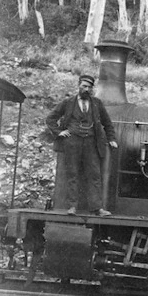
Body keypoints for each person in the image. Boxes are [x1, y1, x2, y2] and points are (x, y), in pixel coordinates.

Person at [46, 75, 118, 216]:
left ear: (92, 89)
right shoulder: (68, 103)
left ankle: (97, 208)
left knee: (94, 175)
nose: (86, 89)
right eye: (84, 86)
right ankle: (72, 207)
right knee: (73, 174)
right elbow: (50, 118)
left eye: (89, 87)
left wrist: (111, 138)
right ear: (78, 86)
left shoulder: (97, 103)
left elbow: (107, 123)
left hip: (91, 143)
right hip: (72, 143)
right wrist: (59, 132)